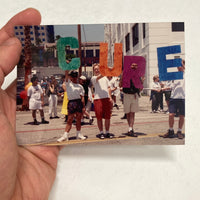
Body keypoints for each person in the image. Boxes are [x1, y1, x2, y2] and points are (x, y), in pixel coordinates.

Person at [0, 8, 62, 200]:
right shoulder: (30, 84)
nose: (36, 82)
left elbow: (43, 92)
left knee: (41, 112)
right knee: (35, 112)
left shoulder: (39, 86)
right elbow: (27, 92)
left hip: (39, 101)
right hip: (33, 102)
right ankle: (36, 121)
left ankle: (41, 120)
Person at [57, 70, 87, 142]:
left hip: (78, 102)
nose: (74, 78)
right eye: (72, 76)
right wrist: (67, 67)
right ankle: (65, 135)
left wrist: (83, 107)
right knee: (69, 120)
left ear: (77, 77)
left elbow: (82, 97)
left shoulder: (80, 86)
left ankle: (78, 134)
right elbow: (66, 75)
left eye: (75, 76)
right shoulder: (68, 84)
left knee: (78, 120)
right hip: (71, 103)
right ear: (70, 77)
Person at [159, 59, 185, 139]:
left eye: (180, 65)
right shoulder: (175, 75)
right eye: (177, 66)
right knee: (171, 114)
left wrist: (183, 65)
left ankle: (179, 131)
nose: (178, 67)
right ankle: (170, 130)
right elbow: (170, 86)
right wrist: (164, 88)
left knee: (181, 115)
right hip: (174, 97)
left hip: (183, 98)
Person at [121, 63, 145, 137]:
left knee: (132, 113)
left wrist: (142, 82)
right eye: (132, 65)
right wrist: (122, 77)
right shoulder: (125, 74)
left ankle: (130, 129)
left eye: (135, 65)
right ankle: (130, 128)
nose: (134, 67)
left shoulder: (138, 75)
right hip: (126, 95)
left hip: (134, 95)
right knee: (128, 113)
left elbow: (140, 88)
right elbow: (120, 85)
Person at [91, 63, 113, 139]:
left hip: (106, 98)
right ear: (93, 71)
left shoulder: (105, 78)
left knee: (107, 117)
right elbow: (100, 76)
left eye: (98, 69)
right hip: (98, 99)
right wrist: (106, 69)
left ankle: (107, 132)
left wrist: (110, 97)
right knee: (99, 117)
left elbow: (109, 88)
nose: (96, 70)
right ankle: (101, 132)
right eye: (95, 69)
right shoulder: (94, 78)